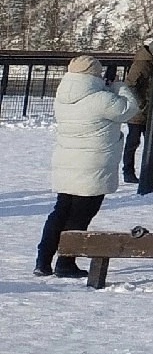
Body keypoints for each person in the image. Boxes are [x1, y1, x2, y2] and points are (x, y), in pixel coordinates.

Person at [37, 52, 137, 278]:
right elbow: (129, 109)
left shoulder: (62, 96)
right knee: (81, 215)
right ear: (94, 75)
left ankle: (43, 260)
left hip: (66, 161)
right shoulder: (101, 99)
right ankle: (66, 262)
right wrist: (119, 86)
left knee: (60, 211)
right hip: (93, 164)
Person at [119, 40, 153, 184]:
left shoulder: (149, 63)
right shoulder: (142, 64)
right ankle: (128, 172)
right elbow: (130, 85)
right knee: (133, 142)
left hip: (146, 109)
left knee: (147, 142)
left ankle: (148, 172)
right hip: (139, 110)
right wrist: (142, 103)